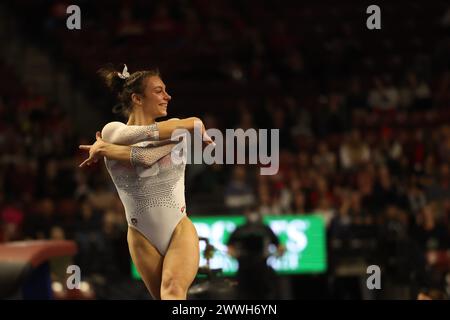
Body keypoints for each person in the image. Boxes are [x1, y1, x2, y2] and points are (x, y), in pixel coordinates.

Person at [79, 64, 213, 300]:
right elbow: (142, 155)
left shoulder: (173, 131)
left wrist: (106, 149)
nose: (167, 96)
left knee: (172, 291)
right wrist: (108, 145)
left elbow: (146, 157)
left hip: (178, 228)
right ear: (137, 98)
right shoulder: (112, 130)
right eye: (159, 91)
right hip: (141, 235)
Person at [227, 209, 285, 299]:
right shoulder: (240, 229)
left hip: (261, 266)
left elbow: (280, 246)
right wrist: (236, 255)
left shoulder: (265, 228)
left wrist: (274, 255)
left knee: (262, 293)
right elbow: (229, 247)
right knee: (244, 294)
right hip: (244, 266)